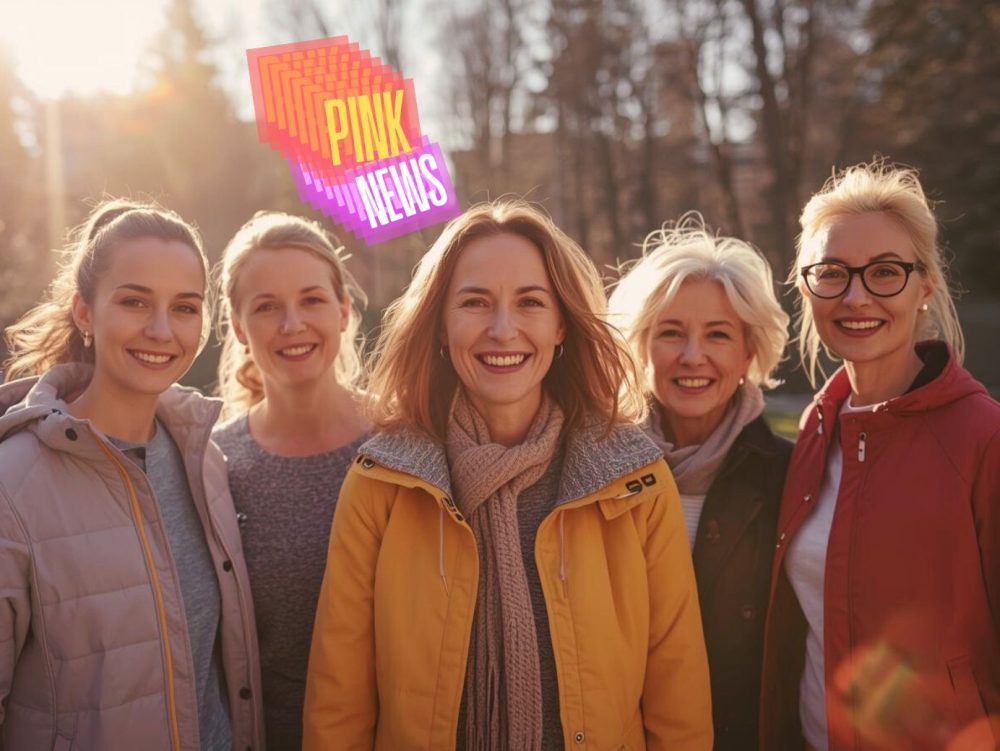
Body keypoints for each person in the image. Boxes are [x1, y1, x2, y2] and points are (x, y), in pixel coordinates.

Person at [303, 200, 713, 750]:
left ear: (561, 324)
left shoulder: (635, 480)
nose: (503, 329)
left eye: (530, 303)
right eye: (475, 302)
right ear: (441, 328)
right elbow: (340, 702)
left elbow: (677, 690)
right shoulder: (382, 482)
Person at [0, 199, 263, 750]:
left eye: (185, 307)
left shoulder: (204, 460)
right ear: (84, 313)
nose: (162, 330)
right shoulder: (12, 485)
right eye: (134, 301)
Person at [759, 162, 1000, 750]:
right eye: (832, 274)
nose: (856, 296)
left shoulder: (983, 437)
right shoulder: (815, 430)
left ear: (925, 287)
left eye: (885, 272)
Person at [608, 215, 792, 751]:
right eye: (671, 333)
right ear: (642, 345)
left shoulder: (792, 477)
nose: (693, 357)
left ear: (749, 353)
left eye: (718, 335)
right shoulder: (596, 472)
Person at [213, 211, 368, 749]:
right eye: (267, 307)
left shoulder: (406, 445)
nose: (292, 324)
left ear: (343, 310)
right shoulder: (215, 465)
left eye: (311, 300)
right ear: (238, 326)